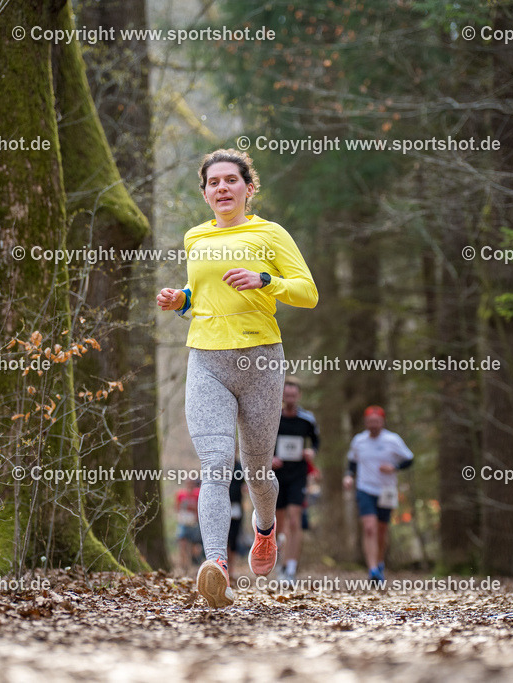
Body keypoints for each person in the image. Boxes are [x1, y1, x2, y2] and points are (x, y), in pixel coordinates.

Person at [157, 148, 318, 608]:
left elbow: (307, 293)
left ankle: (264, 531)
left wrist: (265, 280)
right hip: (206, 357)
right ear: (205, 192)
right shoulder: (195, 238)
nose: (222, 188)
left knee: (257, 471)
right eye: (214, 182)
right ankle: (216, 567)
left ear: (249, 188)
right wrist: (180, 299)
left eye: (232, 180)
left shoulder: (270, 233)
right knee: (215, 465)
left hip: (261, 359)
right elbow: (201, 295)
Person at [343, 406, 413, 585]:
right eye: (370, 422)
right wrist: (349, 476)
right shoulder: (359, 440)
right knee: (369, 528)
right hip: (365, 488)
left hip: (386, 490)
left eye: (377, 422)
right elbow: (352, 462)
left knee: (382, 530)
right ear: (366, 423)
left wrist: (394, 467)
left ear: (382, 422)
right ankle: (372, 569)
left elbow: (409, 459)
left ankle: (380, 562)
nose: (373, 425)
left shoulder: (392, 440)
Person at [272, 378, 319, 586]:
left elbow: (316, 442)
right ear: (282, 396)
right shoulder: (273, 418)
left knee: (294, 520)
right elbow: (263, 443)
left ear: (298, 396)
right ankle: (278, 563)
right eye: (286, 394)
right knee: (278, 523)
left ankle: (291, 568)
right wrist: (270, 459)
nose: (290, 398)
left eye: (293, 395)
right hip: (277, 475)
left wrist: (311, 452)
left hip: (298, 475)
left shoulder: (307, 420)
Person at [175, 478, 202, 570]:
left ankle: (194, 565)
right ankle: (183, 565)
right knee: (182, 544)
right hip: (183, 522)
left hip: (194, 523)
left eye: (191, 483)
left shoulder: (198, 494)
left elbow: (200, 508)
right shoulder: (181, 494)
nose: (189, 485)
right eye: (188, 483)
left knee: (194, 547)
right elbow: (177, 507)